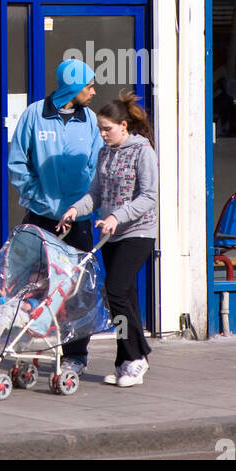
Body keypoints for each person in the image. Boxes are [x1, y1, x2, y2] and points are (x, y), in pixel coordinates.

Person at [58, 89, 158, 388]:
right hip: (111, 235)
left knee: (114, 291)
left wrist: (118, 215)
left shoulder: (143, 151)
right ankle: (127, 362)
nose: (103, 135)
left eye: (108, 129)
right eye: (100, 129)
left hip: (138, 232)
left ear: (124, 126)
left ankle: (137, 357)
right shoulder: (105, 153)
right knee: (125, 297)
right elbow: (96, 194)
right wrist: (76, 209)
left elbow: (150, 196)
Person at [8, 57, 101, 374]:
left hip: (78, 219)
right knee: (31, 284)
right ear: (72, 87)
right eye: (88, 85)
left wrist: (85, 202)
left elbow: (98, 164)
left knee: (78, 289)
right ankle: (29, 346)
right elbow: (18, 164)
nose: (93, 91)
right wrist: (38, 199)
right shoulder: (34, 115)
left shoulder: (89, 120)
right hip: (41, 217)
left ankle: (76, 355)